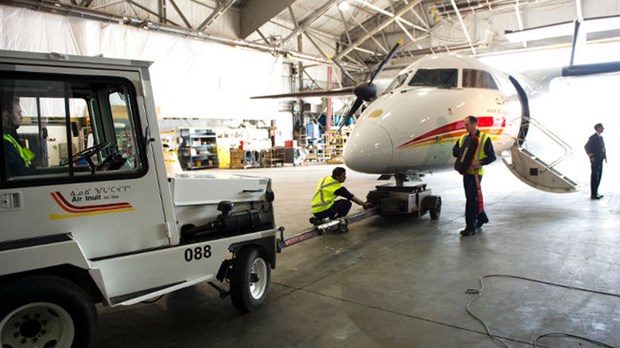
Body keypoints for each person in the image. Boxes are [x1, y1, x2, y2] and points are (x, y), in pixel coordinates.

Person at [452, 115, 496, 236]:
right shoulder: (463, 138)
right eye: (464, 125)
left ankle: (470, 227)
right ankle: (481, 217)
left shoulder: (484, 138)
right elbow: (455, 151)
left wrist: (479, 162)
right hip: (466, 172)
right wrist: (464, 153)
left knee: (471, 199)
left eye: (467, 124)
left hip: (477, 174)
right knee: (471, 198)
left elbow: (492, 157)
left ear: (474, 123)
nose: (465, 127)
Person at [2, 98, 36, 177]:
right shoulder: (5, 143)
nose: (22, 117)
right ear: (6, 115)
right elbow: (20, 170)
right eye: (19, 113)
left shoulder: (9, 136)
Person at [584, 123, 606, 200]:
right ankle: (593, 194)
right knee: (594, 177)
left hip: (600, 160)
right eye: (602, 127)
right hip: (595, 160)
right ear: (598, 128)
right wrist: (591, 156)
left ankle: (596, 192)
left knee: (598, 176)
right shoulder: (593, 137)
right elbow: (587, 147)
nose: (603, 129)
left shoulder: (600, 137)